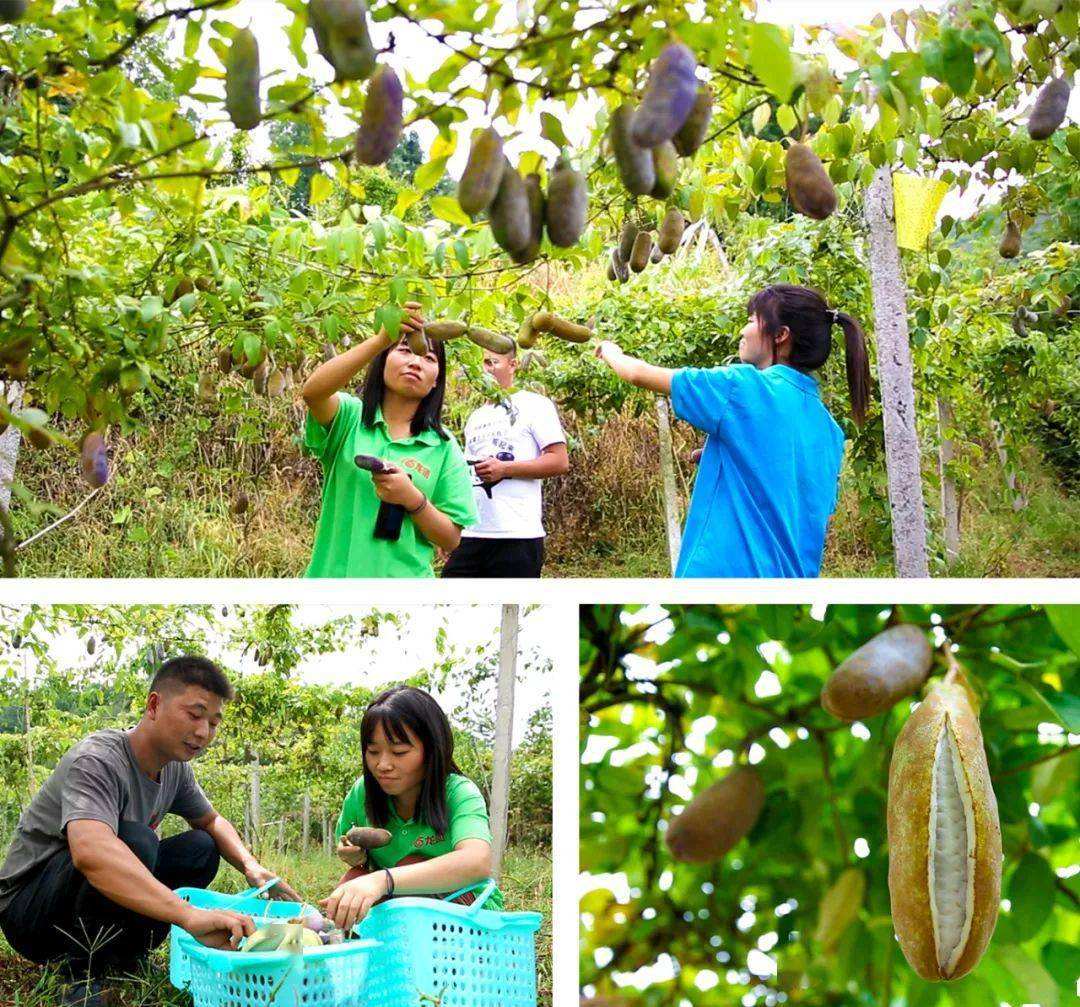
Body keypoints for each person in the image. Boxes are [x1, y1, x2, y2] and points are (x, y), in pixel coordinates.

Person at [0, 656, 299, 1006]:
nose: (204, 732)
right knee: (136, 841)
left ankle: (124, 953)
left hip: (82, 899)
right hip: (30, 913)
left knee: (201, 847)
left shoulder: (175, 769)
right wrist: (189, 915)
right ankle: (81, 976)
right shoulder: (97, 759)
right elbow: (91, 851)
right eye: (195, 714)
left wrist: (252, 867)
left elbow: (211, 821)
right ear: (154, 705)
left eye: (214, 722)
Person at [595, 283, 871, 578]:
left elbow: (638, 374)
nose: (743, 330)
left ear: (780, 335)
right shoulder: (830, 430)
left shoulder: (741, 387)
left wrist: (610, 351)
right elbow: (797, 496)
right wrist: (734, 455)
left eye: (752, 320)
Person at [302, 301, 478, 578]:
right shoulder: (349, 419)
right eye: (405, 350)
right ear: (383, 361)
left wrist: (414, 500)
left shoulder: (443, 447)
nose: (415, 362)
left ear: (436, 381)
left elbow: (451, 539)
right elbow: (313, 393)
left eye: (429, 359)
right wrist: (383, 338)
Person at [321, 685, 499, 934]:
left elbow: (476, 861)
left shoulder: (458, 793)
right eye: (373, 752)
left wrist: (383, 880)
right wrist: (355, 857)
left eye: (399, 752)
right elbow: (352, 854)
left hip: (466, 914)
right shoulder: (362, 793)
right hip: (399, 908)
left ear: (431, 749)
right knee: (352, 881)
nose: (382, 765)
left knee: (409, 862)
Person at [442, 344, 569, 578]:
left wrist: (505, 469)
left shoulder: (535, 405)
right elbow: (467, 477)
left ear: (513, 365)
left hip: (517, 535)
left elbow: (559, 461)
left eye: (494, 362)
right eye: (484, 363)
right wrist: (453, 523)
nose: (487, 369)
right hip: (471, 534)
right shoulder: (476, 417)